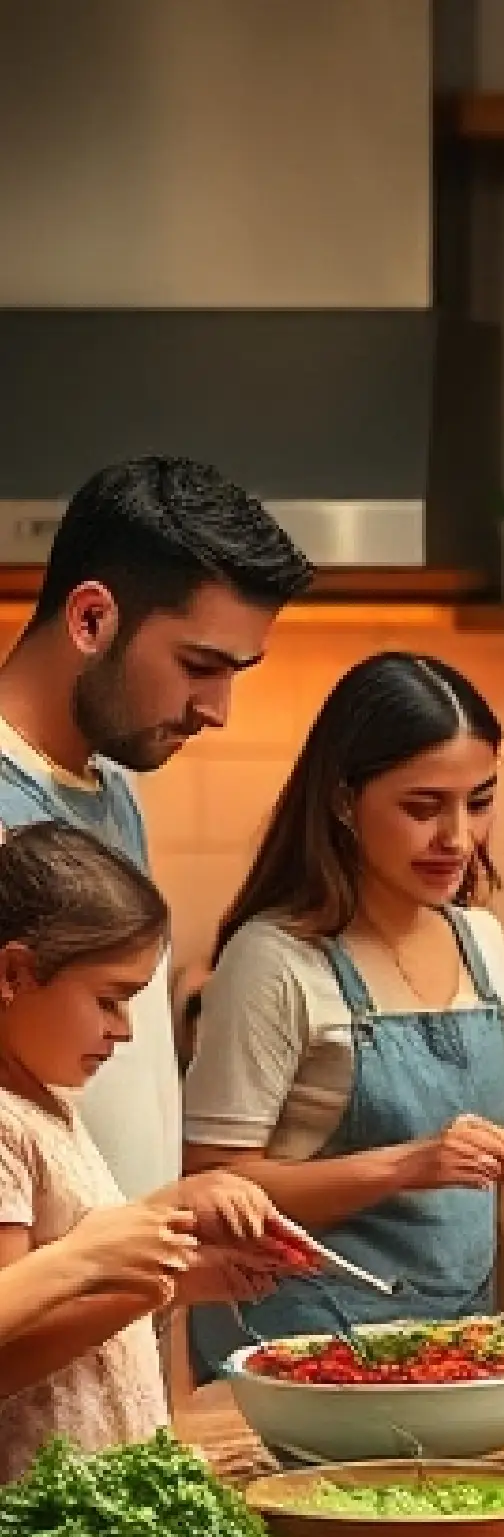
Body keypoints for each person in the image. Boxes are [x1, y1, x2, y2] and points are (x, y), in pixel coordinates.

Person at [183, 651, 504, 1370]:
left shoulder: (480, 940)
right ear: (341, 800)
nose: (457, 837)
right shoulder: (275, 960)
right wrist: (404, 1166)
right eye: (422, 807)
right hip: (299, 1356)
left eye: (479, 802)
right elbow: (214, 1188)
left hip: (456, 1350)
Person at [0, 455, 313, 1205]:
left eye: (237, 671)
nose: (218, 708)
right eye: (199, 664)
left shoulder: (116, 786)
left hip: (120, 1290)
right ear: (91, 619)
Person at [0, 822, 284, 1479]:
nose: (124, 1031)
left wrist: (169, 1264)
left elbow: (59, 1286)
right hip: (39, 1509)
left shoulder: (49, 1104)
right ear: (13, 972)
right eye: (110, 1000)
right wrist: (98, 1259)